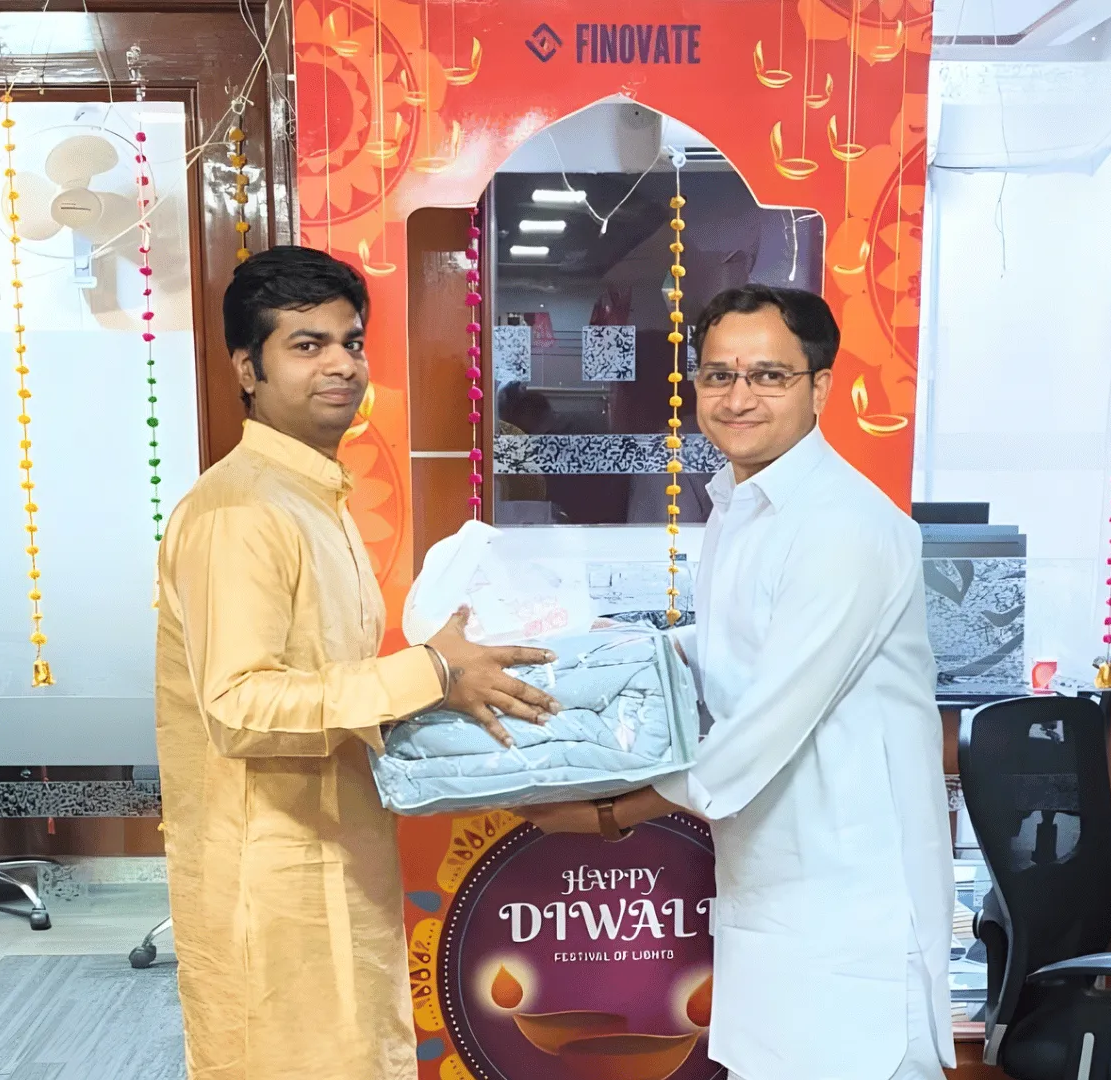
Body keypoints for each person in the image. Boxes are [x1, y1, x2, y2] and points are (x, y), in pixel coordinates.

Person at [522, 285, 955, 1080]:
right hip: (771, 883)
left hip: (852, 897)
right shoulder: (741, 504)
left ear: (819, 386)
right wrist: (599, 655)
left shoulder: (844, 525)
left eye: (769, 376)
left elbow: (764, 725)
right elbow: (735, 641)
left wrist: (606, 816)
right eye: (719, 375)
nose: (738, 397)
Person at [154, 246, 561, 1080]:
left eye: (351, 342)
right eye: (306, 345)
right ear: (247, 368)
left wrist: (448, 688)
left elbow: (330, 682)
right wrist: (430, 674)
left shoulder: (314, 496)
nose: (341, 364)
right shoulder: (240, 513)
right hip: (271, 876)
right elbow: (238, 706)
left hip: (335, 850)